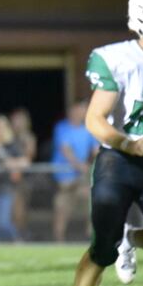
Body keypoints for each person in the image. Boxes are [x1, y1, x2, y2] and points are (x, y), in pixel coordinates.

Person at [60, 0, 143, 286]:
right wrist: (128, 144)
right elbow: (95, 119)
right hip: (120, 159)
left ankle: (133, 237)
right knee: (103, 245)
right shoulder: (118, 58)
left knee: (119, 237)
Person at [51, 101, 98, 242]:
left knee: (93, 200)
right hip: (64, 176)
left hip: (81, 176)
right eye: (78, 110)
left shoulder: (88, 129)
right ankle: (58, 239)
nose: (81, 113)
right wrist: (80, 166)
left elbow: (96, 150)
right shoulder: (62, 127)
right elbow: (66, 150)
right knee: (62, 207)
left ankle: (91, 234)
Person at [9, 108, 36, 238]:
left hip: (23, 179)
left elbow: (29, 157)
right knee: (10, 210)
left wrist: (18, 167)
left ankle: (20, 234)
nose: (17, 123)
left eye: (20, 120)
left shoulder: (29, 138)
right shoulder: (8, 136)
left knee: (20, 209)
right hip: (8, 177)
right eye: (15, 120)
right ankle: (13, 234)